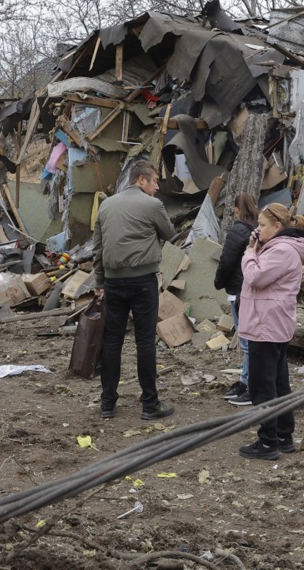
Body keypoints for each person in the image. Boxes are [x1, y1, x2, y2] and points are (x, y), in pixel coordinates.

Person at [93, 160, 176, 421]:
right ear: (141, 180)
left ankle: (107, 403)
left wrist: (99, 282)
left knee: (112, 341)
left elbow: (98, 247)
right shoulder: (153, 206)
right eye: (155, 181)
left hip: (114, 283)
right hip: (143, 281)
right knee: (145, 343)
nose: (158, 186)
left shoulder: (106, 205)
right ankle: (150, 404)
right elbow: (170, 233)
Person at [236, 203, 304, 460]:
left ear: (278, 226)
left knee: (262, 386)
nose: (258, 230)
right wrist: (257, 247)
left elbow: (254, 277)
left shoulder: (281, 251)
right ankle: (283, 435)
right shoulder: (280, 248)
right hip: (272, 323)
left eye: (262, 225)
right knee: (278, 383)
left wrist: (249, 252)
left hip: (265, 325)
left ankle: (268, 442)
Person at [213, 192, 259, 406]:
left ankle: (250, 385)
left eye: (234, 207)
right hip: (250, 291)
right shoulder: (256, 231)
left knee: (246, 340)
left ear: (239, 209)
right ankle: (245, 379)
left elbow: (226, 261)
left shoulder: (238, 230)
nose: (233, 210)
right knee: (248, 339)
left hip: (238, 292)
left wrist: (218, 282)